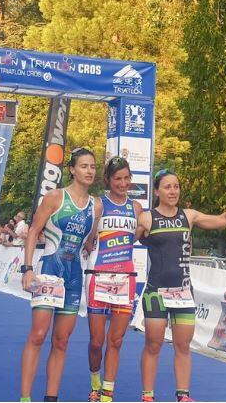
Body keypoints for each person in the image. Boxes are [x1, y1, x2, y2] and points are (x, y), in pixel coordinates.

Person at [135, 170, 226, 402]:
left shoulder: (189, 216)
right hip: (156, 293)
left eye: (176, 186)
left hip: (183, 292)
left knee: (183, 346)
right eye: (167, 187)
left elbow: (223, 220)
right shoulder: (146, 218)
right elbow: (122, 241)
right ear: (157, 191)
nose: (173, 191)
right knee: (153, 344)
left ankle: (183, 395)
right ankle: (148, 396)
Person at [19, 148, 100, 402]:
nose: (89, 171)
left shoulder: (96, 205)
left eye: (93, 167)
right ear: (73, 170)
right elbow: (33, 231)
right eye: (84, 166)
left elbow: (91, 237)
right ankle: (25, 397)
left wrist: (91, 244)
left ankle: (51, 397)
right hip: (49, 272)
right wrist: (28, 268)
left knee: (62, 340)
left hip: (74, 276)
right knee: (38, 335)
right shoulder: (55, 197)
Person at [85, 156, 143, 402]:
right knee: (97, 342)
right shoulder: (98, 204)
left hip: (125, 279)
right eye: (117, 179)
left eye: (126, 178)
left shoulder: (137, 208)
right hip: (98, 276)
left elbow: (138, 235)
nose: (122, 183)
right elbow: (88, 238)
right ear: (108, 180)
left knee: (116, 341)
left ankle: (107, 393)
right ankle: (95, 382)